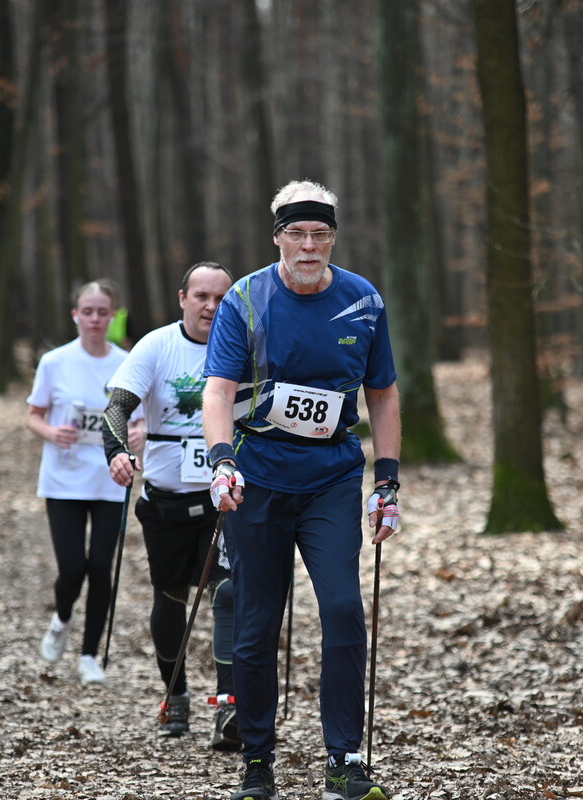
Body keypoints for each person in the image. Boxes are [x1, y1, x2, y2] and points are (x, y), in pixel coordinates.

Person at [202, 180, 401, 800]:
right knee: (257, 620)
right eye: (297, 234)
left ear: (333, 238)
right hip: (258, 477)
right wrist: (221, 462)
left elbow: (382, 394)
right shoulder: (246, 299)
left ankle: (344, 758)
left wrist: (387, 480)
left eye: (320, 234)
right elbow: (218, 390)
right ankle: (256, 759)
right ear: (278, 238)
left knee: (342, 607)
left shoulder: (363, 300)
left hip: (331, 478)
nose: (309, 246)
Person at [102, 261, 241, 750]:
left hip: (223, 500)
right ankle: (175, 696)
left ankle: (229, 706)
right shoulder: (156, 346)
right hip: (164, 503)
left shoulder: (244, 346)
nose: (212, 306)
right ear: (183, 298)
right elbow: (117, 405)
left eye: (222, 298)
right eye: (202, 296)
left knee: (228, 593)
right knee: (170, 599)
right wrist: (117, 451)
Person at [26, 281, 144, 685]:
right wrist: (51, 432)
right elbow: (33, 415)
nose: (95, 319)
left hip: (112, 477)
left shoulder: (128, 363)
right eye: (88, 311)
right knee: (73, 568)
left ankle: (89, 655)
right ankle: (62, 617)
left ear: (113, 316)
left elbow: (141, 419)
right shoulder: (54, 362)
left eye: (102, 312)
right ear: (75, 315)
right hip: (64, 479)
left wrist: (139, 434)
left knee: (101, 567)